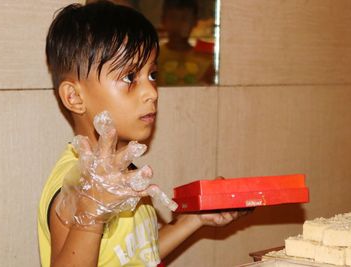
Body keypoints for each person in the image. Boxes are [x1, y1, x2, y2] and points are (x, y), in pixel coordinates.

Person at [37, 2, 245, 266]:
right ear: (75, 97)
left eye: (153, 74)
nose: (152, 92)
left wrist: (196, 219)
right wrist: (91, 211)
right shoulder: (79, 185)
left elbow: (137, 254)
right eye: (130, 77)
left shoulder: (119, 174)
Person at [158, 0, 215, 86]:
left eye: (184, 19)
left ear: (195, 22)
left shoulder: (206, 59)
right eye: (173, 18)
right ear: (163, 20)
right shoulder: (153, 57)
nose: (178, 25)